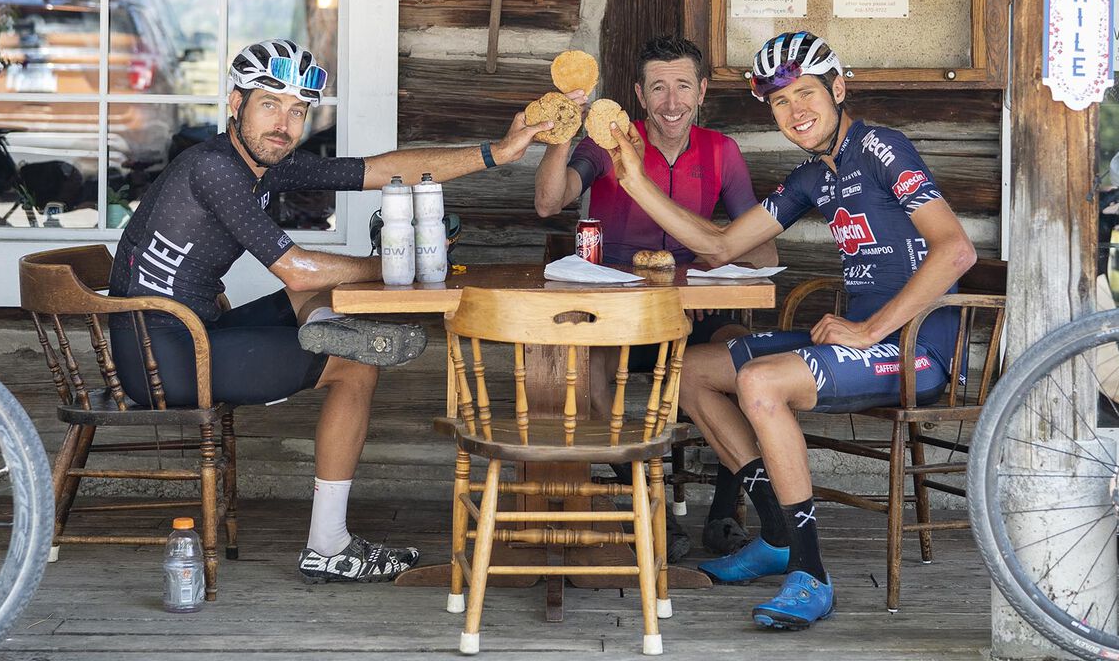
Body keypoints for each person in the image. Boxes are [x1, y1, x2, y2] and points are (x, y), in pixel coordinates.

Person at [107, 38, 552, 584]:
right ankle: (328, 545)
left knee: (313, 304)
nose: (285, 123)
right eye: (270, 104)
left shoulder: (264, 165)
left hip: (187, 330)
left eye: (298, 111)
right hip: (165, 357)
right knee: (354, 365)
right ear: (234, 103)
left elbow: (384, 169)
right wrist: (392, 263)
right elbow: (296, 268)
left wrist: (497, 154)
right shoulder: (216, 169)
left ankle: (325, 329)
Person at [597, 31, 975, 631]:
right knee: (688, 372)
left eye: (806, 94)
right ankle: (775, 531)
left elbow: (955, 252)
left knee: (762, 383)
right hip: (863, 339)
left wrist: (870, 329)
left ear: (838, 89)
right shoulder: (812, 175)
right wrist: (637, 181)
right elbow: (721, 245)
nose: (796, 111)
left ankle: (811, 571)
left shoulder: (882, 147)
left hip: (916, 350)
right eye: (779, 102)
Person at [532, 33, 776, 558]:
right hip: (615, 318)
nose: (671, 102)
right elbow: (550, 202)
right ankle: (649, 499)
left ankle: (724, 516)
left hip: (695, 319)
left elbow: (765, 255)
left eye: (683, 86)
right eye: (658, 88)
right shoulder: (608, 142)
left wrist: (716, 254)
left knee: (747, 366)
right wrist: (561, 133)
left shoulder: (722, 152)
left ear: (702, 91)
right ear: (639, 97)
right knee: (590, 384)